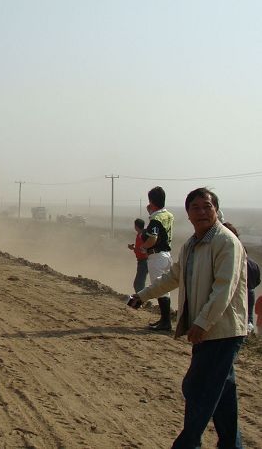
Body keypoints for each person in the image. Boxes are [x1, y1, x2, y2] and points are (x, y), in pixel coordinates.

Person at [128, 188, 247, 448]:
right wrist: (143, 295)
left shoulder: (226, 242)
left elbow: (223, 289)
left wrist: (202, 322)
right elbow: (173, 277)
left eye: (208, 206)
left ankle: (187, 444)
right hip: (209, 329)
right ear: (188, 213)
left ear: (216, 210)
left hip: (222, 330)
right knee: (222, 392)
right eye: (196, 207)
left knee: (198, 389)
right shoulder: (192, 244)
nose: (202, 212)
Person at [141, 186, 174, 331]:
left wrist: (144, 247)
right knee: (164, 287)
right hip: (166, 255)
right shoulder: (168, 215)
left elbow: (153, 238)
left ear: (151, 201)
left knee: (159, 288)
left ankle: (165, 322)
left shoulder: (155, 218)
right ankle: (164, 320)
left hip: (156, 255)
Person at [222, 222, 260, 334]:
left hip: (236, 292)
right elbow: (257, 280)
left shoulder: (232, 259)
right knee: (248, 317)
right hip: (250, 291)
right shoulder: (253, 264)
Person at [128, 218, 149, 293]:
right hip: (142, 261)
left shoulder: (143, 235)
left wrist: (135, 248)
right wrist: (133, 248)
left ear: (136, 226)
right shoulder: (140, 235)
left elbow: (143, 249)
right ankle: (142, 299)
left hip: (144, 261)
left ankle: (142, 300)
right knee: (139, 283)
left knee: (138, 284)